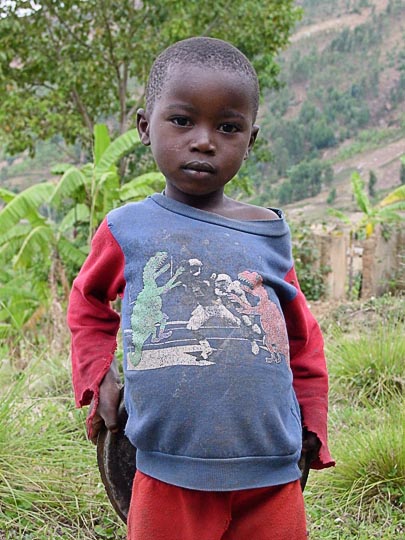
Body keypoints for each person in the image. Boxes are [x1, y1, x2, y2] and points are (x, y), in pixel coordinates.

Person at [67, 37, 334, 540]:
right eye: (183, 121)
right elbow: (87, 302)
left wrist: (312, 422)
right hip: (167, 475)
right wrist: (98, 375)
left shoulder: (268, 232)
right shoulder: (128, 228)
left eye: (228, 127)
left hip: (271, 475)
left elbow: (301, 339)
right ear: (146, 127)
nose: (205, 140)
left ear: (250, 140)